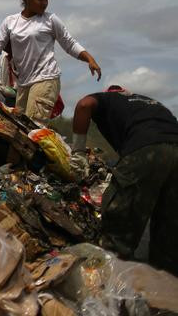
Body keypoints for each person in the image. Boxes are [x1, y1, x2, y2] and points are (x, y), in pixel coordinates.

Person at [71, 86, 178, 275]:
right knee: (169, 224)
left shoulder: (108, 99)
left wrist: (78, 152)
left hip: (147, 147)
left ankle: (109, 279)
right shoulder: (150, 105)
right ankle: (164, 287)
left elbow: (83, 105)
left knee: (120, 218)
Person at [0, 0, 101, 124]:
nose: (45, 3)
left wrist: (90, 59)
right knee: (19, 127)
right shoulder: (10, 21)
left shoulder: (50, 20)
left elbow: (69, 43)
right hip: (23, 83)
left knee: (33, 125)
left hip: (46, 78)